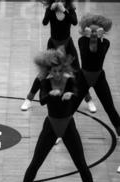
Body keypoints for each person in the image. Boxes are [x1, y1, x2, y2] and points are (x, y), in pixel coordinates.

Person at [23, 49, 93, 182]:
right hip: (51, 126)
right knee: (35, 164)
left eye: (59, 71)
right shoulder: (45, 82)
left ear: (63, 69)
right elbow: (42, 100)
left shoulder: (70, 81)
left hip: (68, 126)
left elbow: (77, 94)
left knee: (82, 165)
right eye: (54, 71)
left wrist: (71, 95)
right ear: (49, 70)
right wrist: (50, 95)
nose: (57, 74)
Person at [21, 0, 96, 113]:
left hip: (68, 46)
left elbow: (75, 22)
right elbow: (45, 22)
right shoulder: (50, 9)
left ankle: (89, 100)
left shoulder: (70, 9)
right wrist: (51, 11)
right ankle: (28, 98)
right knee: (44, 73)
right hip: (53, 46)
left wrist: (64, 11)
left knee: (77, 73)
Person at [73, 13, 120, 136]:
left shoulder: (105, 43)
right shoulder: (81, 41)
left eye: (96, 31)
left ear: (102, 31)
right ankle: (60, 133)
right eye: (91, 31)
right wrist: (91, 38)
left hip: (99, 77)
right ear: (86, 30)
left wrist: (97, 39)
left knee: (110, 108)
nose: (94, 33)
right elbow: (88, 52)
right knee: (71, 107)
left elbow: (97, 53)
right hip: (83, 77)